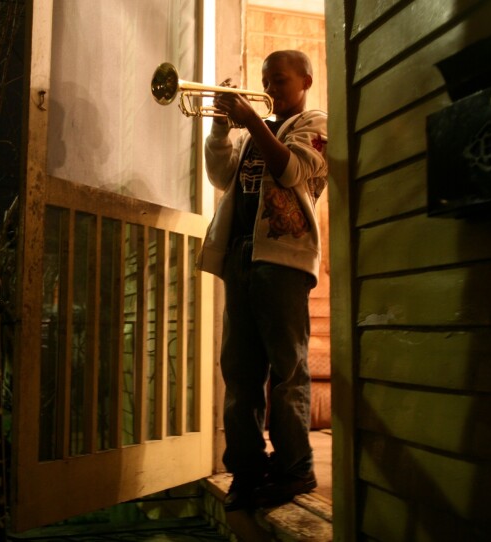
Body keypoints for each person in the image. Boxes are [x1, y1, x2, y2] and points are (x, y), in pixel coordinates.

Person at [198, 50, 328, 512]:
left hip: (285, 260)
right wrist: (219, 126)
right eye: (265, 81)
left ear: (305, 80)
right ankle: (248, 470)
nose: (270, 89)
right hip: (241, 257)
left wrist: (253, 120)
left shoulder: (315, 123)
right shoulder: (261, 130)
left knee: (287, 371)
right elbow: (219, 176)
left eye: (279, 80)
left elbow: (290, 171)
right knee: (239, 371)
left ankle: (295, 469)